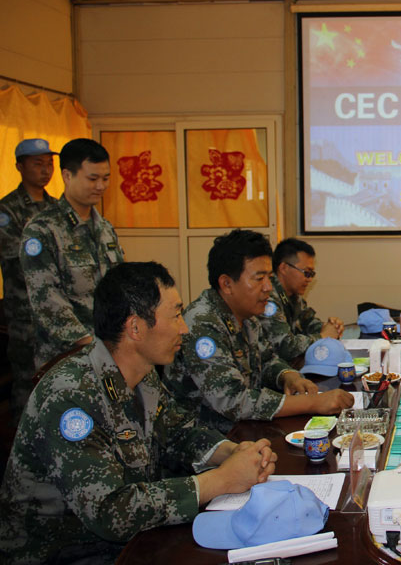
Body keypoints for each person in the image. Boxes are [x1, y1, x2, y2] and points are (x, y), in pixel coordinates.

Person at [0, 262, 277, 565]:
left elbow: (178, 432)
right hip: (62, 553)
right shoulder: (71, 397)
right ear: (135, 327)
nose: (184, 328)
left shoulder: (142, 375)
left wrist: (233, 453)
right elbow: (109, 512)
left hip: (133, 541)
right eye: (175, 315)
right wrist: (221, 481)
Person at [163, 229, 354, 434]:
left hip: (244, 430)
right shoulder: (202, 324)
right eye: (259, 278)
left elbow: (267, 360)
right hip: (205, 443)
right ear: (227, 284)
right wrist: (312, 403)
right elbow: (233, 400)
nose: (268, 288)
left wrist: (288, 376)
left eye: (270, 278)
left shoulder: (248, 316)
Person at [20, 137, 125, 369]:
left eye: (105, 178)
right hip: (66, 358)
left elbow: (119, 286)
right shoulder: (42, 230)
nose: (101, 186)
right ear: (68, 176)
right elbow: (46, 300)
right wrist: (89, 344)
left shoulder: (105, 229)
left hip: (108, 350)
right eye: (93, 178)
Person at [0, 139, 58, 419]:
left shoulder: (57, 208)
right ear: (19, 166)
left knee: (56, 380)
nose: (46, 170)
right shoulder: (7, 210)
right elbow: (15, 254)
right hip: (25, 314)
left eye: (50, 163)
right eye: (38, 163)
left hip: (56, 312)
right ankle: (19, 450)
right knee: (26, 382)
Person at [262, 238, 344, 363]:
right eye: (306, 273)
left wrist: (331, 327)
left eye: (311, 274)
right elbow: (285, 346)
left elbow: (309, 322)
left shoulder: (294, 295)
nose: (309, 279)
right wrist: (323, 336)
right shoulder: (268, 299)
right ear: (283, 268)